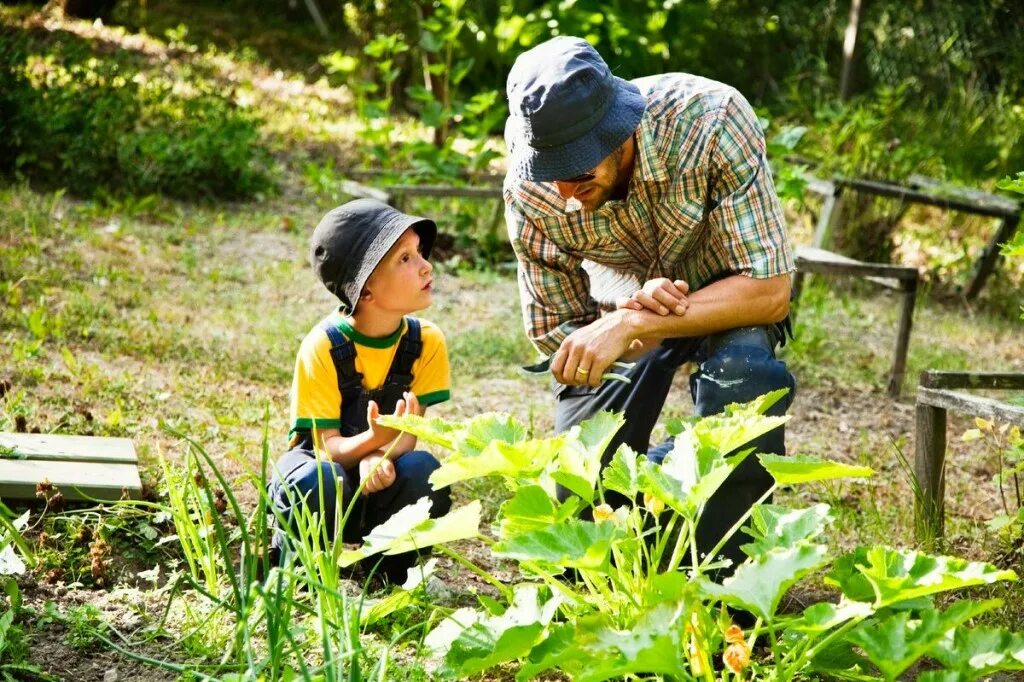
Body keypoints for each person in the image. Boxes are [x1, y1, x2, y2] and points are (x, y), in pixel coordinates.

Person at [502, 36, 796, 571]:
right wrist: (632, 323)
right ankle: (653, 513)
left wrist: (638, 318)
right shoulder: (532, 188)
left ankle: (729, 592)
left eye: (579, 172)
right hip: (619, 317)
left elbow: (771, 290)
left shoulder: (713, 120)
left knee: (744, 375)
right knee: (581, 508)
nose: (565, 192)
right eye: (552, 172)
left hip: (727, 294)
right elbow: (557, 334)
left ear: (621, 132)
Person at [267, 199, 453, 582]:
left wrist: (379, 456)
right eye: (404, 259)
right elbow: (326, 447)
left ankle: (385, 573)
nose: (425, 265)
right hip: (325, 475)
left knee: (426, 472)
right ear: (365, 291)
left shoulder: (426, 342)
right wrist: (374, 440)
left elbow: (410, 436)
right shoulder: (322, 346)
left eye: (419, 252)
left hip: (381, 473)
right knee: (316, 479)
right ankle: (304, 567)